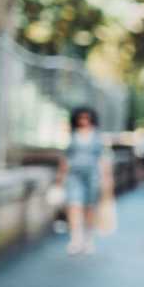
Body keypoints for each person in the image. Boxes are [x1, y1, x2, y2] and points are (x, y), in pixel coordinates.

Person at [54, 107, 114, 255]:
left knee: (89, 208)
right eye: (81, 118)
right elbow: (66, 159)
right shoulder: (72, 136)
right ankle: (76, 239)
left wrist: (106, 179)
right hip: (74, 176)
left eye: (87, 118)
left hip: (92, 176)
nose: (84, 121)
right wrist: (60, 179)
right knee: (74, 206)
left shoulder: (98, 137)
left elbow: (103, 159)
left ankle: (88, 238)